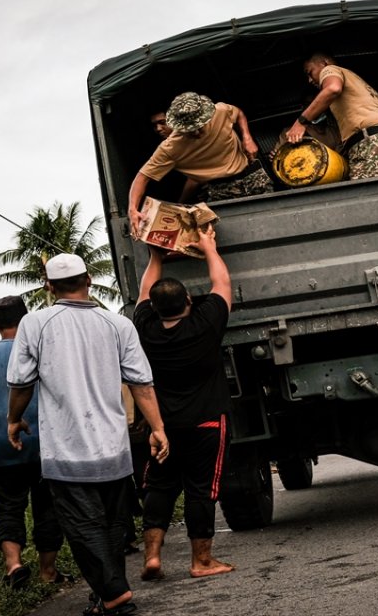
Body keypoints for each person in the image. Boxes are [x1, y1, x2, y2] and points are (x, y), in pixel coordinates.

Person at [6, 254, 170, 616]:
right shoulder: (118, 324)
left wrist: (13, 420)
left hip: (67, 450)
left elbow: (20, 383)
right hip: (113, 447)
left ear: (48, 287)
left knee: (82, 527)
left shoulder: (35, 324)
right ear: (90, 280)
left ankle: (113, 593)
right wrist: (157, 428)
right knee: (113, 524)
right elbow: (141, 382)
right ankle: (106, 596)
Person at [133, 226, 236, 580]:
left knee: (159, 486)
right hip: (206, 423)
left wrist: (155, 256)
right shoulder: (205, 325)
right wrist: (208, 246)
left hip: (162, 428)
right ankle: (202, 562)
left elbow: (144, 292)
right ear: (188, 303)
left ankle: (152, 558)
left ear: (154, 308)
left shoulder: (144, 329)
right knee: (200, 490)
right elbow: (222, 284)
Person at [0, 295, 71, 589]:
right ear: (27, 319)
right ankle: (48, 572)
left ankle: (14, 565)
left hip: (0, 450)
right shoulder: (43, 353)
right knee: (48, 508)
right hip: (46, 446)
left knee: (6, 508)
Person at [128, 92, 273, 233]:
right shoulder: (170, 148)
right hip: (221, 191)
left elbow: (238, 113)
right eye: (190, 130)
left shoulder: (219, 111)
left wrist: (247, 137)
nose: (196, 133)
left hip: (253, 175)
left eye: (199, 127)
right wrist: (132, 209)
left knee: (273, 223)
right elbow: (142, 177)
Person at [285, 53, 378, 180]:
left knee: (361, 198)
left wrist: (301, 122)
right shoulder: (362, 89)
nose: (310, 80)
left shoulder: (329, 70)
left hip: (374, 147)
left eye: (309, 72)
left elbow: (333, 89)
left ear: (324, 63)